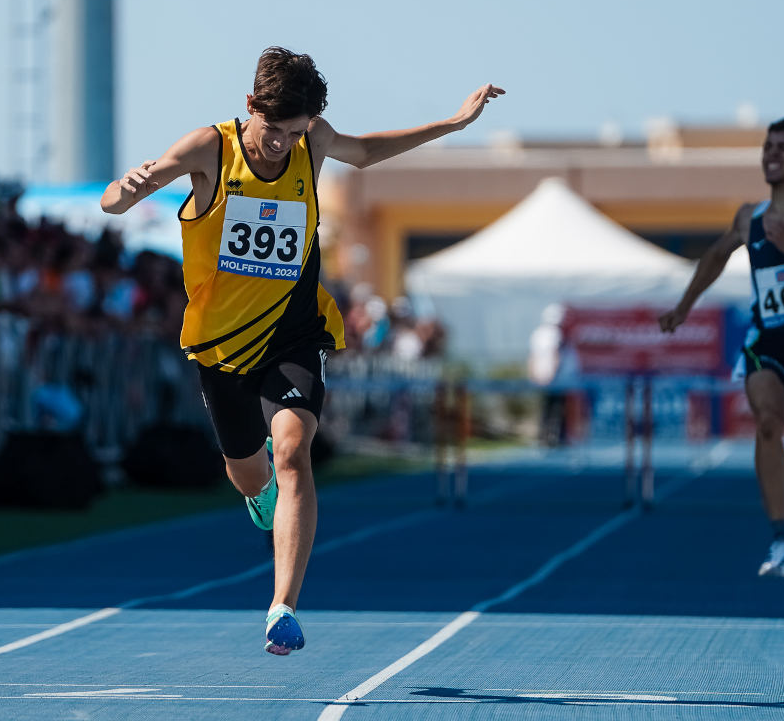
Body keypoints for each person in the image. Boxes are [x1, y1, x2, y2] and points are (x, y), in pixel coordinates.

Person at [102, 46, 503, 653]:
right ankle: (259, 491)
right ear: (249, 107)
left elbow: (365, 152)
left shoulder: (311, 141)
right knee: (247, 473)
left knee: (294, 453)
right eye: (273, 131)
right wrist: (125, 192)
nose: (282, 146)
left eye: (294, 134)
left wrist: (452, 123)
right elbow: (115, 198)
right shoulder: (209, 148)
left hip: (294, 330)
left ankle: (282, 607)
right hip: (221, 343)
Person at [659, 117, 784, 578]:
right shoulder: (749, 217)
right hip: (767, 344)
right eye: (768, 146)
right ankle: (781, 538)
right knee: (767, 422)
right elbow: (715, 256)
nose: (771, 153)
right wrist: (685, 306)